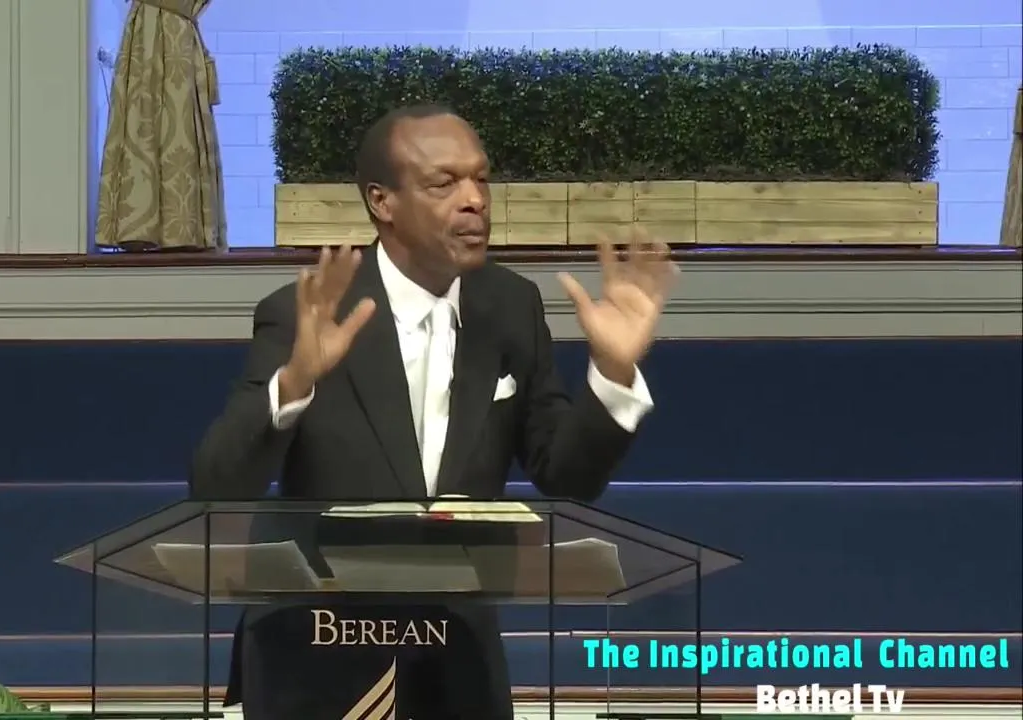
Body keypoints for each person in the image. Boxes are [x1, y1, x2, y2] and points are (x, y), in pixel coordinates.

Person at [190, 104, 678, 720]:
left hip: (455, 658)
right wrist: (295, 381)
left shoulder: (511, 307)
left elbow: (567, 476)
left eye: (481, 179)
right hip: (318, 653)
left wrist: (612, 374)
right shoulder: (306, 312)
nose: (475, 200)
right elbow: (215, 484)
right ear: (382, 201)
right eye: (444, 183)